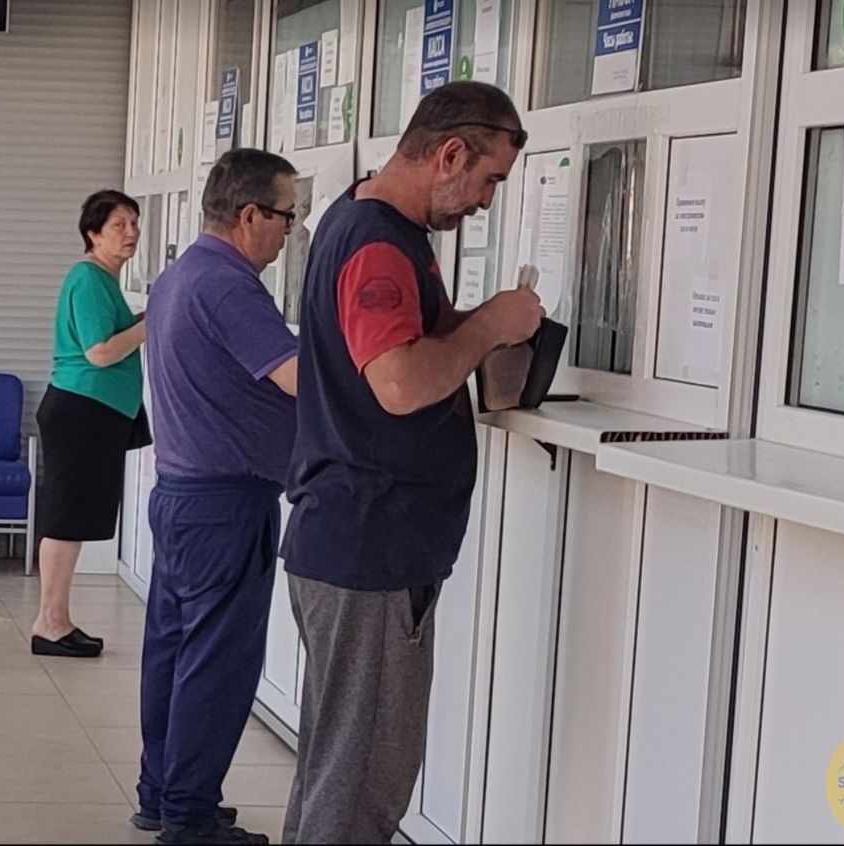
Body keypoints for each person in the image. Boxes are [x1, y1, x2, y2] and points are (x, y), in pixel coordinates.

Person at [280, 82, 544, 843]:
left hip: (363, 543)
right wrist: (489, 326)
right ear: (450, 154)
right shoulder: (377, 243)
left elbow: (405, 343)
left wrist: (475, 326)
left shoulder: (374, 225)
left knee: (338, 773)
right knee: (359, 787)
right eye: (489, 180)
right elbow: (398, 383)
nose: (485, 202)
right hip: (370, 547)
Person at [132, 148, 300, 846]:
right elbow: (301, 379)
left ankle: (161, 793)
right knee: (217, 665)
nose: (290, 230)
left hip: (182, 494)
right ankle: (190, 817)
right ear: (250, 214)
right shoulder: (230, 287)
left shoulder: (179, 275)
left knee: (173, 653)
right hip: (227, 504)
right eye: (287, 215)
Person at [31, 190, 150, 658]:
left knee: (75, 520)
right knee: (66, 519)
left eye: (135, 223)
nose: (131, 233)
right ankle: (49, 622)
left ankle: (57, 619)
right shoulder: (88, 278)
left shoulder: (105, 280)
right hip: (80, 410)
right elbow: (99, 351)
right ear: (93, 234)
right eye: (119, 225)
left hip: (95, 413)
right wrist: (152, 322)